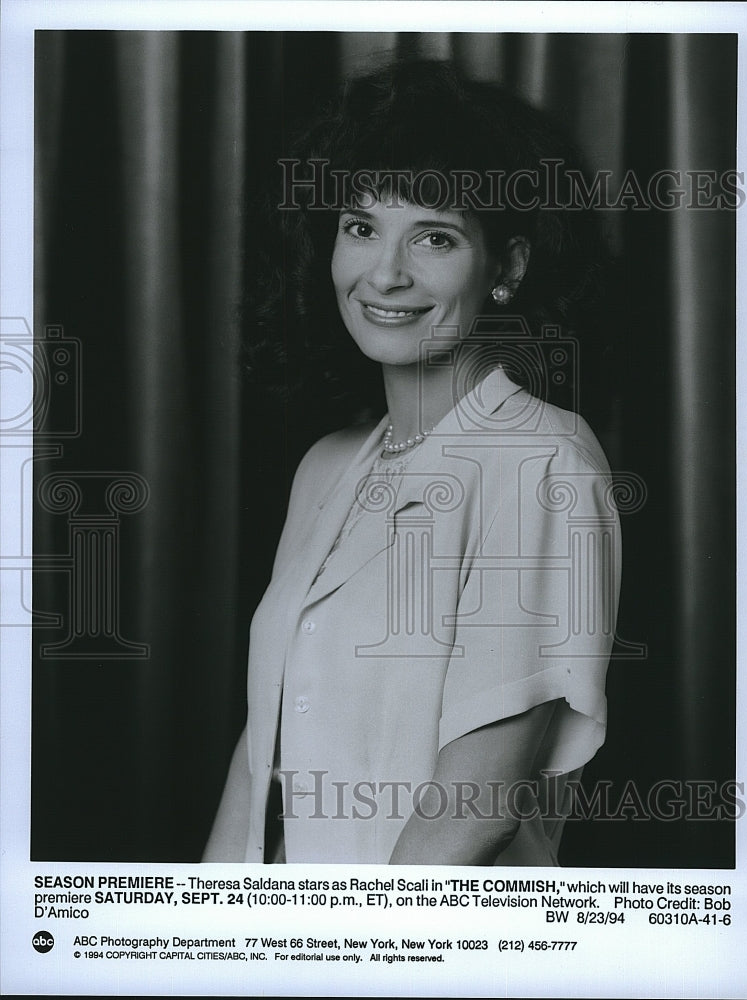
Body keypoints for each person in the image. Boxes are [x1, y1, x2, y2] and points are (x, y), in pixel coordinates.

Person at [203, 59, 621, 866]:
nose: (384, 274)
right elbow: (262, 760)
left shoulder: (539, 461)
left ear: (508, 267)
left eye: (434, 236)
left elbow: (475, 807)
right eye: (361, 227)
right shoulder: (326, 468)